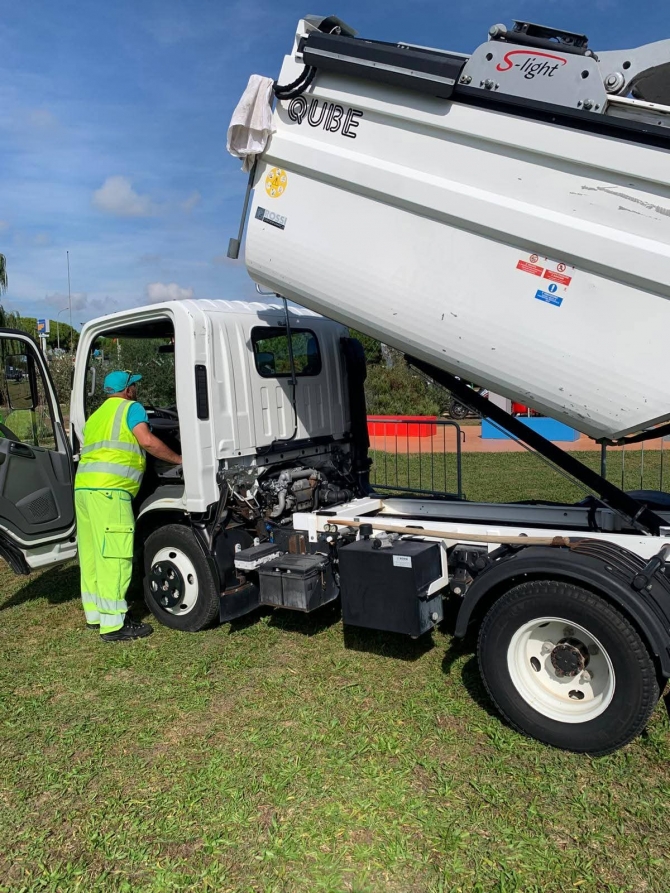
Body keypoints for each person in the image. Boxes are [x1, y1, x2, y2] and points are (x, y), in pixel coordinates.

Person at [75, 370, 182, 641]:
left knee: (92, 554)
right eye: (134, 385)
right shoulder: (131, 408)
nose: (135, 389)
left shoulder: (95, 416)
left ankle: (96, 615)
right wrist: (180, 460)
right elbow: (146, 441)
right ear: (127, 390)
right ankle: (114, 624)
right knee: (115, 555)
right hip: (111, 491)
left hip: (84, 490)